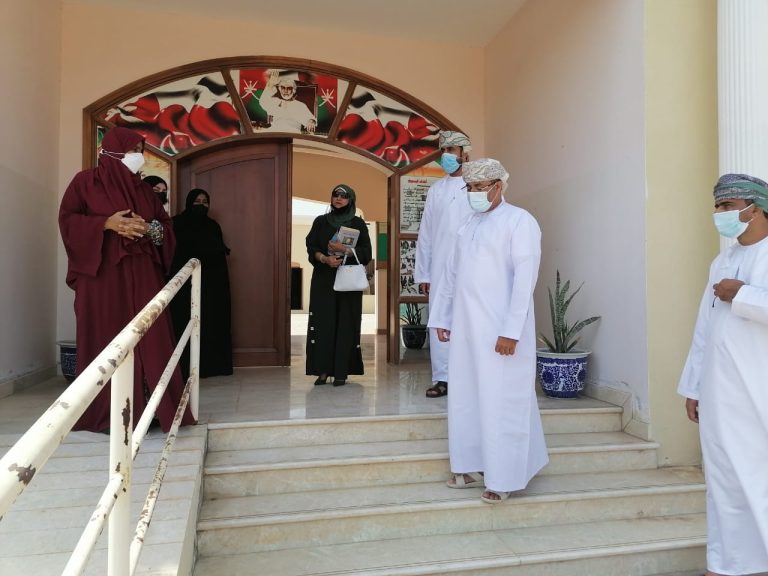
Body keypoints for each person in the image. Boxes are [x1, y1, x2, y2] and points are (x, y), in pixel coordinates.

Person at [59, 126, 195, 433]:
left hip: (143, 274)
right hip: (103, 278)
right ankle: (109, 411)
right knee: (107, 335)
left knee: (151, 334)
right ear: (113, 151)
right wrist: (107, 224)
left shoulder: (144, 191)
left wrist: (148, 229)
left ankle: (155, 408)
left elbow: (165, 229)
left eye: (140, 150)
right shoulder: (86, 183)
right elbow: (68, 221)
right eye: (133, 150)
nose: (139, 156)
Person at [428, 158, 548, 504]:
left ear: (498, 186)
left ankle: (503, 478)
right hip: (466, 330)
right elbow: (450, 276)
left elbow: (525, 281)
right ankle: (468, 466)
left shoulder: (520, 221)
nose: (473, 193)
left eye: (480, 187)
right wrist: (442, 318)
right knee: (465, 398)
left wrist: (511, 331)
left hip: (501, 333)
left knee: (501, 400)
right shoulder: (467, 224)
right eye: (470, 187)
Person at [678, 173, 768, 576]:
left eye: (728, 206)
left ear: (756, 208)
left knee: (759, 475)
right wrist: (693, 386)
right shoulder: (722, 260)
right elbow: (705, 328)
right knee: (724, 479)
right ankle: (727, 563)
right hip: (719, 391)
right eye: (717, 206)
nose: (719, 214)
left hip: (758, 389)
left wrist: (743, 294)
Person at [414, 130, 474, 398]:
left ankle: (470, 377)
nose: (446, 155)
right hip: (439, 268)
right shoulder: (436, 190)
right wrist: (424, 273)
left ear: (465, 153)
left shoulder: (477, 186)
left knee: (470, 318)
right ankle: (443, 378)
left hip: (472, 265)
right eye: (443, 151)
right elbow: (426, 234)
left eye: (452, 150)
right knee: (441, 319)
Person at [305, 184, 372, 387]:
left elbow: (367, 253)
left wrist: (345, 250)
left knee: (346, 323)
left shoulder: (357, 223)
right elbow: (311, 247)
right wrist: (324, 259)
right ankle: (323, 370)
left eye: (343, 196)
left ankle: (341, 371)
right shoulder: (321, 221)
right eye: (335, 195)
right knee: (323, 322)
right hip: (324, 279)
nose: (338, 198)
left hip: (348, 281)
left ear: (351, 199)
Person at [169, 188, 233, 378]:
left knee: (210, 323)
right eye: (197, 201)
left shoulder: (212, 226)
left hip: (211, 286)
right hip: (184, 286)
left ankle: (212, 367)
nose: (201, 205)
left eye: (205, 202)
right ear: (189, 202)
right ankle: (183, 369)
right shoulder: (176, 223)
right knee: (184, 323)